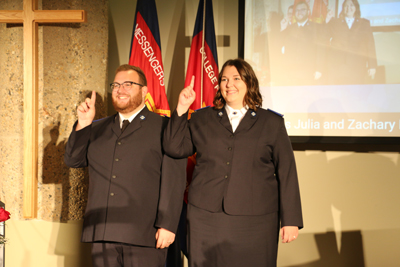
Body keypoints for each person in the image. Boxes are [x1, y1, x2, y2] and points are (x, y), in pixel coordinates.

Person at [163, 59, 303, 266]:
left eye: (236, 78)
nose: (229, 84)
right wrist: (182, 108)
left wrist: (291, 220)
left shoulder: (272, 123)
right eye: (224, 79)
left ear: (249, 83)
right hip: (206, 217)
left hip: (257, 221)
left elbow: (287, 172)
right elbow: (174, 148)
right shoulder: (202, 118)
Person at [64, 64, 186, 267]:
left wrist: (168, 225)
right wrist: (83, 124)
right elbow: (73, 160)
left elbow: (174, 181)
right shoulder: (95, 127)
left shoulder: (165, 127)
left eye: (128, 84)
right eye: (116, 85)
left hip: (146, 235)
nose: (120, 90)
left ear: (144, 91)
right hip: (102, 232)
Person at [325, 0, 377, 85]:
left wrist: (372, 65)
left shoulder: (364, 23)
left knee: (355, 94)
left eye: (351, 5)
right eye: (346, 6)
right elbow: (324, 36)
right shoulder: (334, 22)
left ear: (356, 7)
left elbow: (370, 45)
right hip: (337, 66)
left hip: (357, 66)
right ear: (343, 8)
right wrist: (327, 21)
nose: (349, 8)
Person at [280, 1, 325, 85]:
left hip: (308, 72)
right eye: (297, 10)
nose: (299, 12)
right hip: (290, 73)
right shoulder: (289, 28)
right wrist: (282, 29)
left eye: (302, 10)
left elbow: (320, 50)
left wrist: (319, 69)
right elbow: (281, 47)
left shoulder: (317, 28)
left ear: (308, 12)